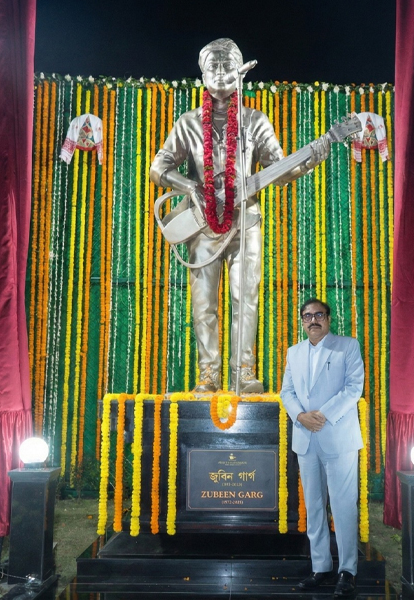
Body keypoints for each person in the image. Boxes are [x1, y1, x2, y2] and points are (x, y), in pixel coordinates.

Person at [149, 38, 328, 393]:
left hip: (246, 222)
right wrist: (190, 187)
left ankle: (243, 374)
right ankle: (208, 376)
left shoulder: (255, 121)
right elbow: (158, 168)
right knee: (204, 304)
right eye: (211, 65)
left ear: (239, 72)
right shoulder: (188, 123)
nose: (218, 71)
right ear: (202, 74)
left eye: (225, 64)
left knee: (245, 298)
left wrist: (306, 162)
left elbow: (279, 170)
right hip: (203, 226)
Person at [280, 299, 364, 598]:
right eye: (307, 316)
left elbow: (354, 388)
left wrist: (322, 416)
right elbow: (286, 391)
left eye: (318, 315)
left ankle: (348, 571)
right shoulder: (294, 352)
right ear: (302, 321)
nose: (312, 320)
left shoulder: (347, 346)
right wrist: (300, 416)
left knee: (343, 506)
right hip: (305, 436)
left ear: (328, 318)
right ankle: (321, 567)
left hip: (338, 436)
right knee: (314, 506)